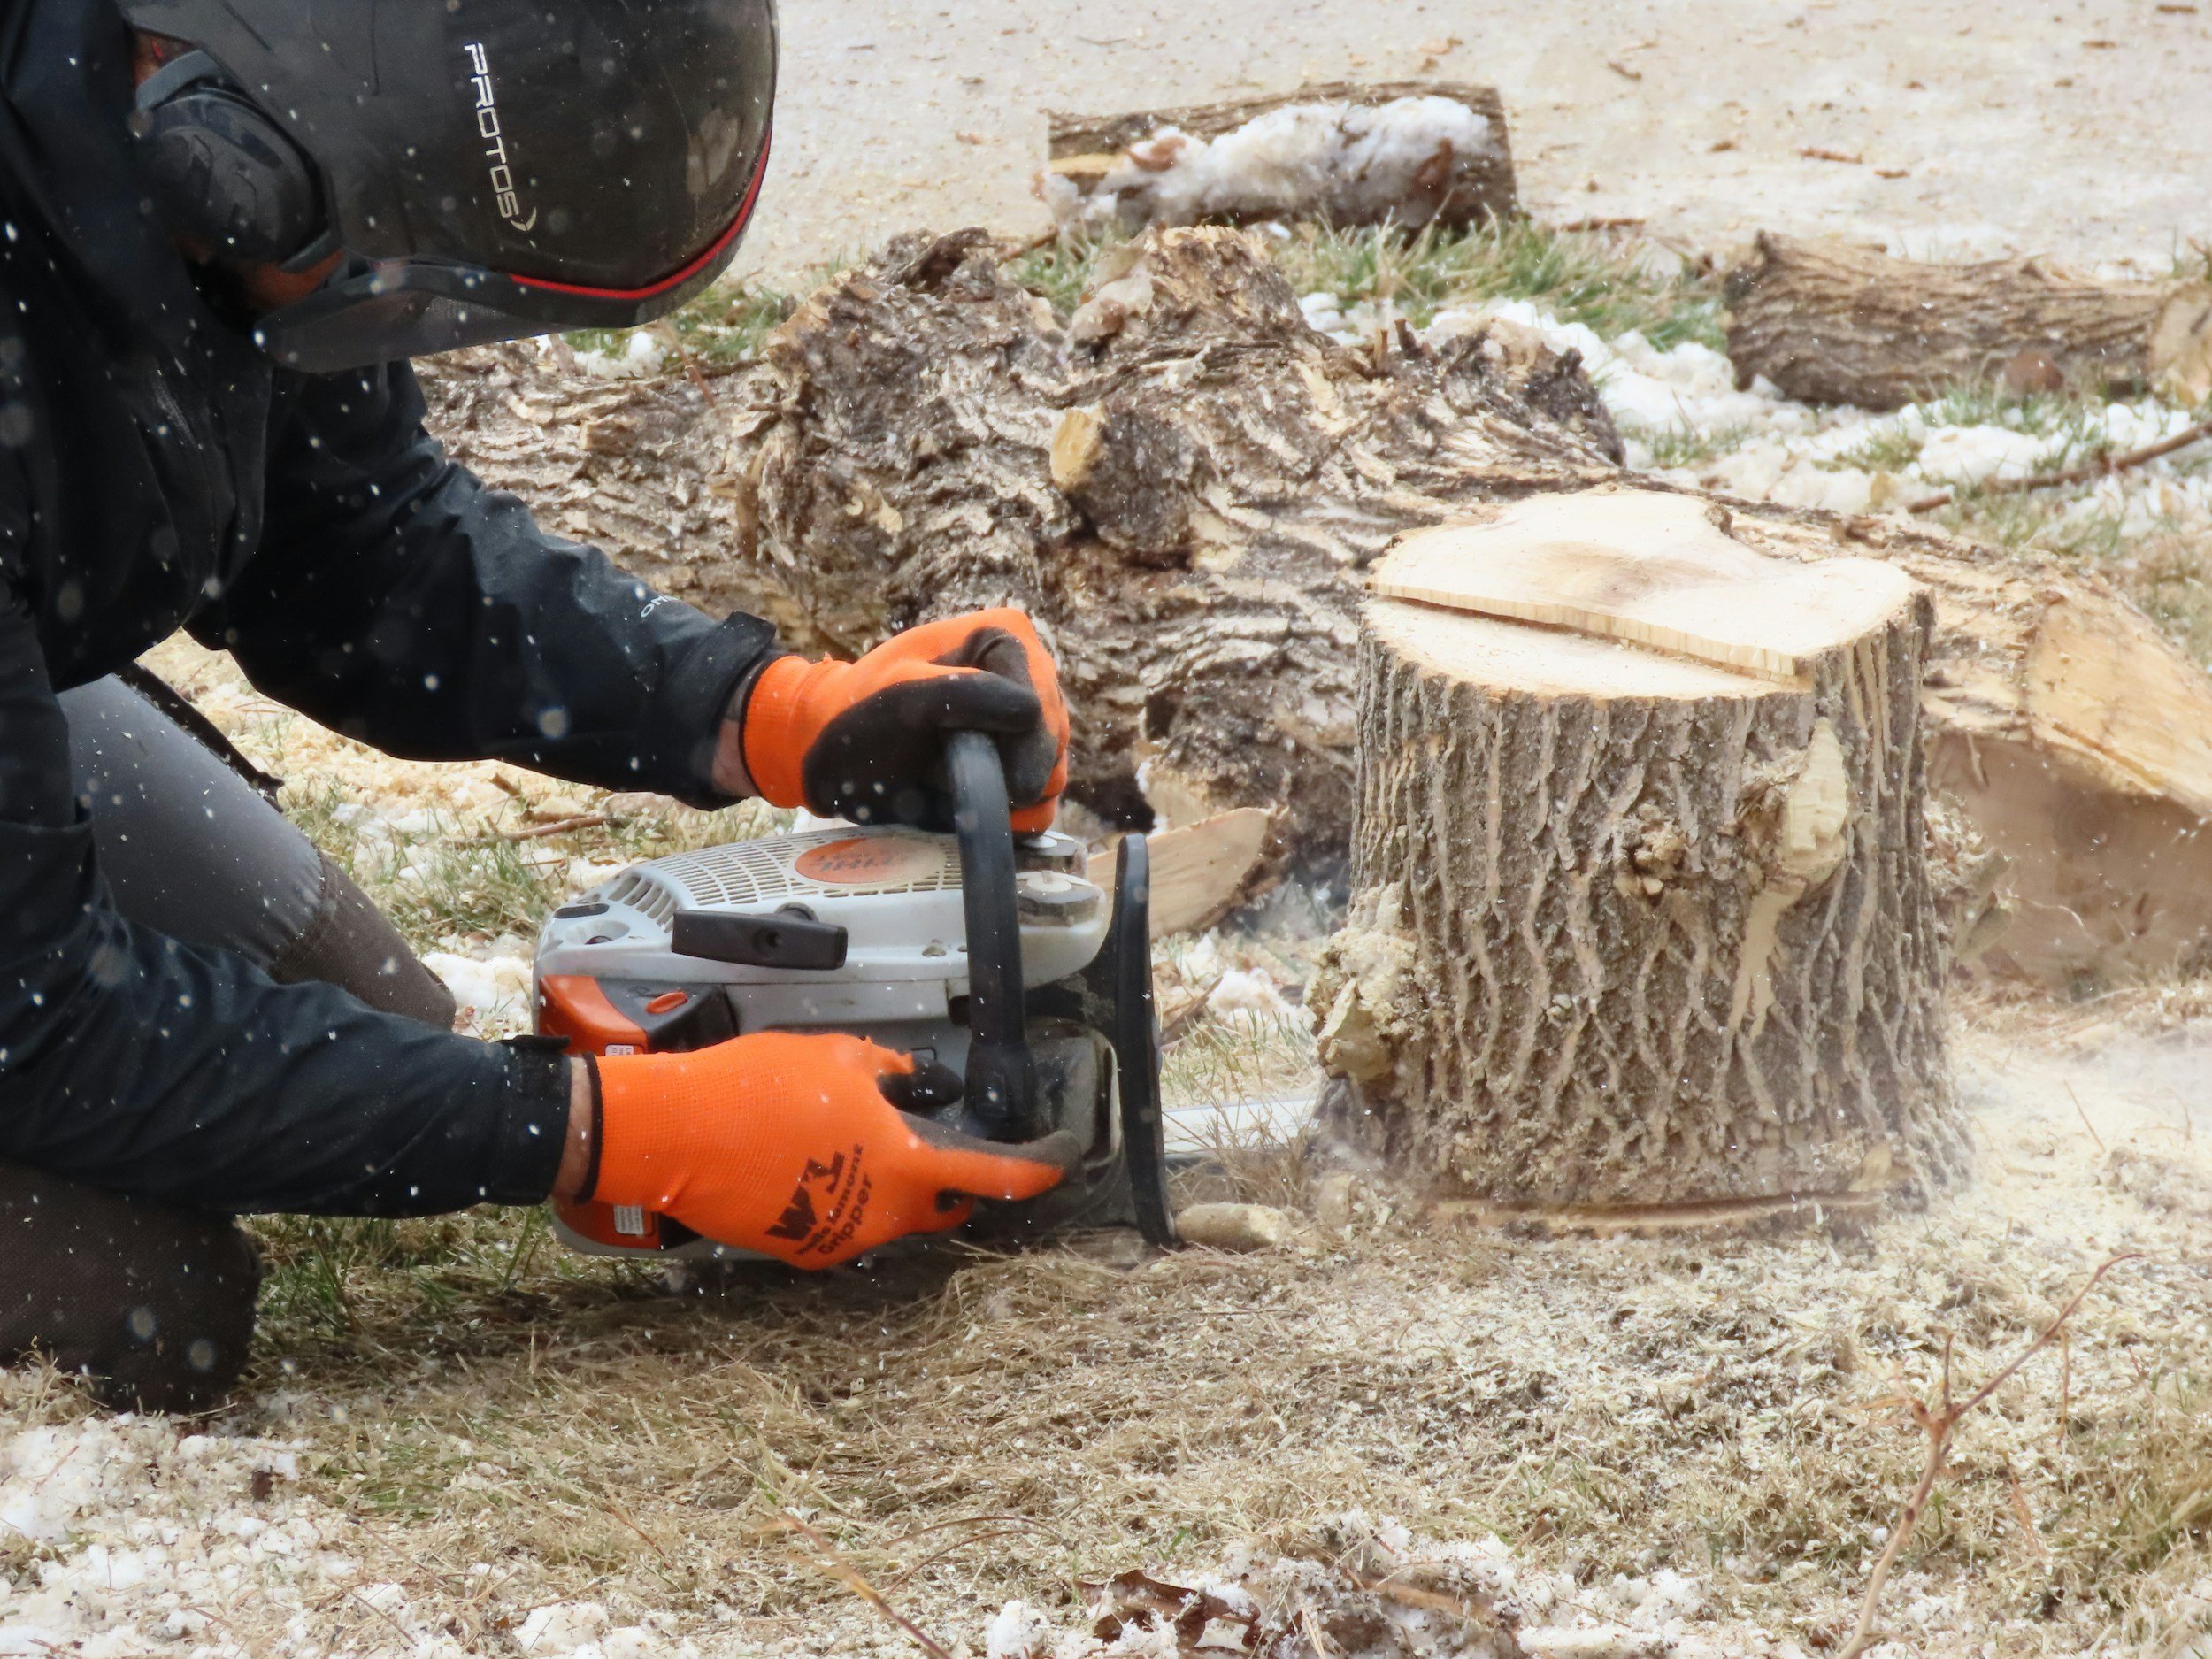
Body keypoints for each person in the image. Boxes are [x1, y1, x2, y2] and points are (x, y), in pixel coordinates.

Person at [0, 0, 1074, 1412]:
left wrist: (760, 709)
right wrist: (587, 1130)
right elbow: (45, 1033)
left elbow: (358, 553)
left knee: (358, 1008)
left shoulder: (193, 168)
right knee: (142, 1302)